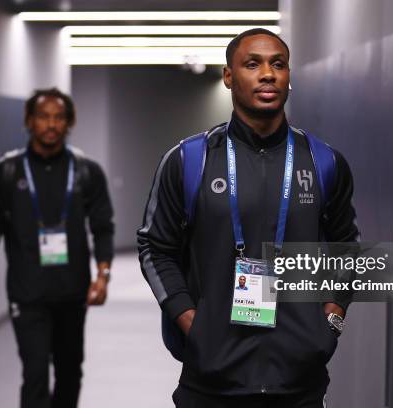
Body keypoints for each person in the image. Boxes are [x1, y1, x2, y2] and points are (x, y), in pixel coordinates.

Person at [138, 29, 359, 408]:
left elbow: (348, 249)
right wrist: (191, 322)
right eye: (252, 63)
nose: (268, 74)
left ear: (289, 76)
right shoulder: (189, 161)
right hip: (211, 383)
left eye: (278, 64)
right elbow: (155, 247)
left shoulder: (323, 162)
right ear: (229, 77)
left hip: (299, 385)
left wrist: (330, 323)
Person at [0, 88, 114, 408]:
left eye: (59, 117)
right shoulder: (6, 174)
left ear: (69, 123)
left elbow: (103, 227)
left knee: (69, 373)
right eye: (43, 117)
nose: (51, 124)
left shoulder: (86, 172)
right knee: (34, 374)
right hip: (27, 295)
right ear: (29, 122)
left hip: (72, 294)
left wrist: (102, 276)